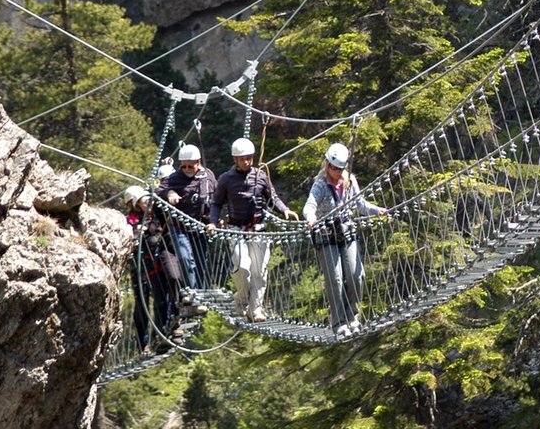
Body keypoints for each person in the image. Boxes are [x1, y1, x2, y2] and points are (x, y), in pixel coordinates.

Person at [206, 137, 300, 322]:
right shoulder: (226, 179)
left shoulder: (261, 176)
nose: (246, 161)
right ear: (235, 159)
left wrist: (286, 210)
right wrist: (212, 221)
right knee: (242, 267)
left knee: (260, 271)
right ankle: (240, 299)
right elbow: (216, 203)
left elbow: (273, 198)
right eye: (242, 158)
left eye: (249, 158)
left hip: (259, 229)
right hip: (236, 230)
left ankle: (255, 309)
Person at [303, 143, 386, 332]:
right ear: (327, 164)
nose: (336, 172)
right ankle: (339, 323)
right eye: (332, 168)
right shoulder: (321, 184)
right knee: (336, 279)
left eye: (339, 169)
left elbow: (360, 204)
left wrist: (376, 210)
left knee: (357, 275)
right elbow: (310, 204)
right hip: (326, 236)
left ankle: (352, 317)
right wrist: (311, 217)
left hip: (346, 233)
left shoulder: (350, 182)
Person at [124, 185, 183, 352]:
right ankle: (143, 344)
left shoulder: (154, 217)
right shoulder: (130, 222)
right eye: (144, 202)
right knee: (142, 304)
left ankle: (161, 333)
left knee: (161, 299)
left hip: (154, 265)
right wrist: (137, 234)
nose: (148, 204)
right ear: (135, 204)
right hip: (140, 266)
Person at [157, 143, 215, 301]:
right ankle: (191, 292)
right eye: (184, 166)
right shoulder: (174, 178)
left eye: (191, 166)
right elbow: (159, 189)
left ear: (198, 162)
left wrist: (215, 220)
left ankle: (199, 296)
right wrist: (170, 193)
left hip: (201, 227)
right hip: (179, 227)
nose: (187, 169)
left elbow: (216, 197)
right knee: (184, 258)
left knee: (200, 263)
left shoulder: (208, 176)